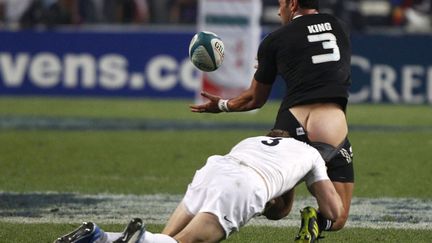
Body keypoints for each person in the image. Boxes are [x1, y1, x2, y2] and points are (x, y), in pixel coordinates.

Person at [190, 0, 354, 241]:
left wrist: (223, 105)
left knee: (278, 208)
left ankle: (224, 211)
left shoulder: (273, 40)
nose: (279, 11)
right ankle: (314, 219)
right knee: (337, 216)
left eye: (280, 4)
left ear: (293, 4)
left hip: (290, 121)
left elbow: (255, 99)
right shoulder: (339, 26)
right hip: (329, 123)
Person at [55, 130, 343, 243]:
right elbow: (332, 210)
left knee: (167, 238)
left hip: (216, 168)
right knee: (186, 242)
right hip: (247, 184)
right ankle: (136, 238)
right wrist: (304, 184)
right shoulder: (311, 155)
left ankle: (98, 237)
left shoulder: (254, 141)